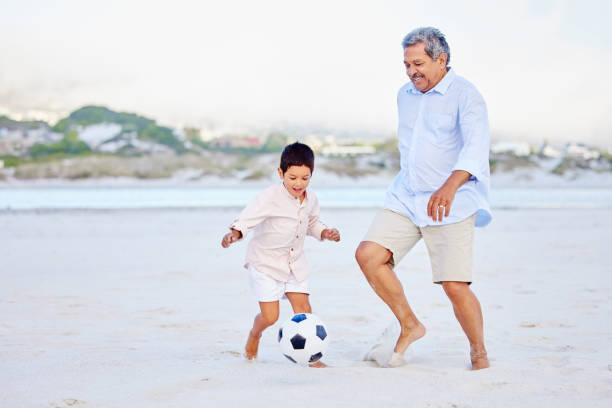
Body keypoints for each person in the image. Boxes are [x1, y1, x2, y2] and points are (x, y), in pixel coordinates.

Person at [355, 27, 492, 370]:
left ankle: (478, 352)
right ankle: (410, 324)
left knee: (454, 286)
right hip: (406, 195)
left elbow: (475, 150)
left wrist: (449, 186)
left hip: (453, 200)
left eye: (418, 63)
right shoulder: (405, 94)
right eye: (406, 64)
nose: (411, 71)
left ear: (441, 59)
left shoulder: (466, 95)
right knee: (369, 255)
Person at [221, 142, 340, 367]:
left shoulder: (311, 199)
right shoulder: (269, 197)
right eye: (292, 177)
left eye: (305, 178)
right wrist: (234, 234)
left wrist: (326, 232)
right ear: (281, 172)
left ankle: (312, 358)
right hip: (266, 264)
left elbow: (312, 223)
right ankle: (254, 335)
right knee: (270, 317)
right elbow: (248, 219)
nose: (298, 183)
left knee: (305, 311)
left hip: (295, 263)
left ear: (311, 175)